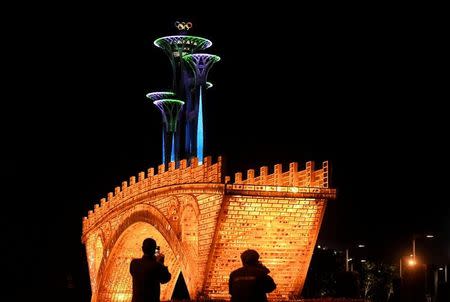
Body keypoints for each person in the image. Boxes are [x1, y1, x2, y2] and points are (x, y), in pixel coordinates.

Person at [130, 238, 171, 302]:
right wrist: (161, 264)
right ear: (154, 250)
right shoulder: (157, 266)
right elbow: (165, 279)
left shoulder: (134, 263)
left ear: (142, 248)